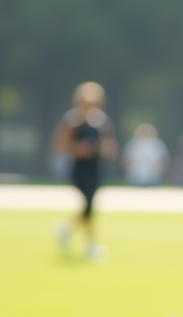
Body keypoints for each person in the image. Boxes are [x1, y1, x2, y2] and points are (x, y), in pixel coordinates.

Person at [52, 81, 118, 259]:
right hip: (79, 168)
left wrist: (106, 150)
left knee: (89, 206)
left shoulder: (101, 121)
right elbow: (60, 144)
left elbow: (108, 145)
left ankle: (68, 230)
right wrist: (78, 148)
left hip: (95, 167)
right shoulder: (73, 121)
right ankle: (90, 244)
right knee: (88, 203)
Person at [122, 123, 170, 187]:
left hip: (154, 178)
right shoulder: (132, 144)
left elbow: (164, 160)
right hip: (135, 178)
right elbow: (126, 160)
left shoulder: (158, 144)